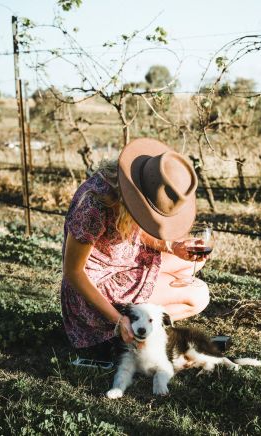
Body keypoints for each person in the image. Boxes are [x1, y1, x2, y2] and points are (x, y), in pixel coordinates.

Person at [61, 137, 210, 356]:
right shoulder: (93, 205)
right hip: (96, 287)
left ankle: (142, 323)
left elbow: (138, 230)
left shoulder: (134, 190)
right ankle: (125, 329)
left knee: (188, 265)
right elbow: (73, 272)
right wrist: (117, 319)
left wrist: (173, 246)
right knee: (199, 296)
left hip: (125, 259)